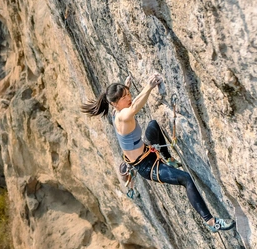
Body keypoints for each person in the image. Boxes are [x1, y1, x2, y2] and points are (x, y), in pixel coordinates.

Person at [81, 73, 235, 232]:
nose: (129, 97)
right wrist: (149, 86)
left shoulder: (116, 112)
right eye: (125, 96)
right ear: (115, 104)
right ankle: (211, 222)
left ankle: (169, 159)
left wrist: (127, 87)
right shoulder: (122, 117)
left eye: (129, 94)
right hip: (147, 167)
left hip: (146, 152)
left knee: (153, 125)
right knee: (186, 178)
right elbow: (134, 106)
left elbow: (129, 103)